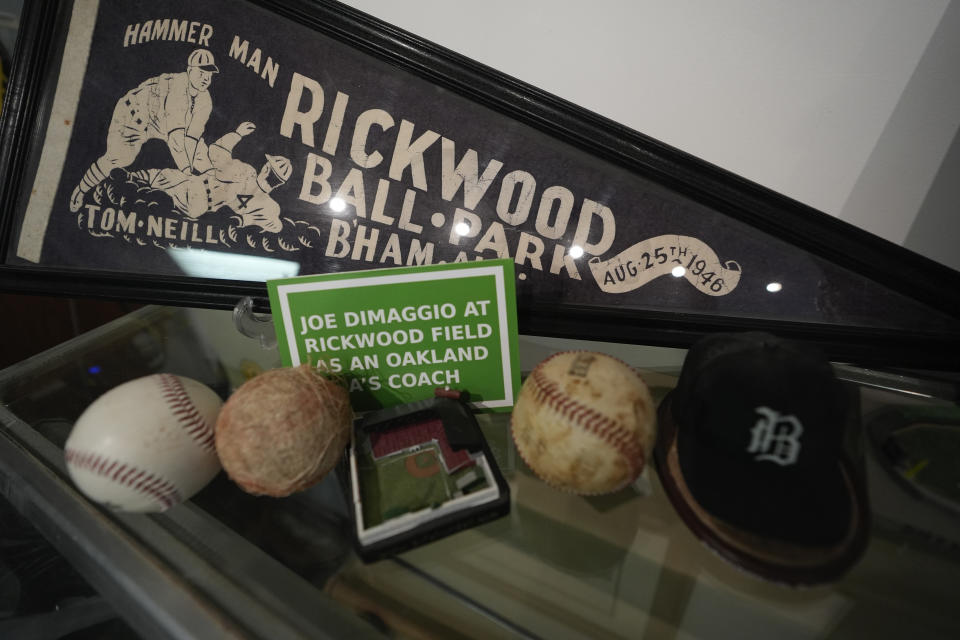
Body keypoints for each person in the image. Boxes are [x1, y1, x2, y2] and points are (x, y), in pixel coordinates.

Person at [70, 49, 219, 212]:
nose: (206, 77)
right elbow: (176, 141)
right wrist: (187, 173)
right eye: (201, 72)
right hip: (133, 115)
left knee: (200, 155)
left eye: (209, 74)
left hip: (160, 123)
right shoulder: (178, 87)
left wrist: (207, 173)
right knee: (119, 158)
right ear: (190, 70)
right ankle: (80, 191)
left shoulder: (206, 100)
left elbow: (192, 139)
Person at [134, 121, 292, 233]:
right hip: (198, 210)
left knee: (156, 176)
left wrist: (237, 134)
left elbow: (216, 153)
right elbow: (276, 226)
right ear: (279, 184)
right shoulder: (270, 207)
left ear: (265, 169)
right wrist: (247, 220)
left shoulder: (246, 172)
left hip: (192, 189)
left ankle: (128, 179)